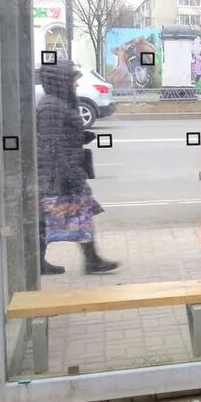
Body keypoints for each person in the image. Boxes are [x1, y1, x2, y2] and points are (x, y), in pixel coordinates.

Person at [37, 60, 118, 275]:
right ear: (60, 81)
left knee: (73, 215)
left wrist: (81, 136)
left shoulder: (57, 102)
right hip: (59, 175)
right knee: (52, 218)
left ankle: (90, 259)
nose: (76, 83)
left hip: (62, 172)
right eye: (73, 78)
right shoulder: (51, 105)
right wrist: (69, 174)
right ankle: (90, 260)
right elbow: (51, 144)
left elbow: (60, 137)